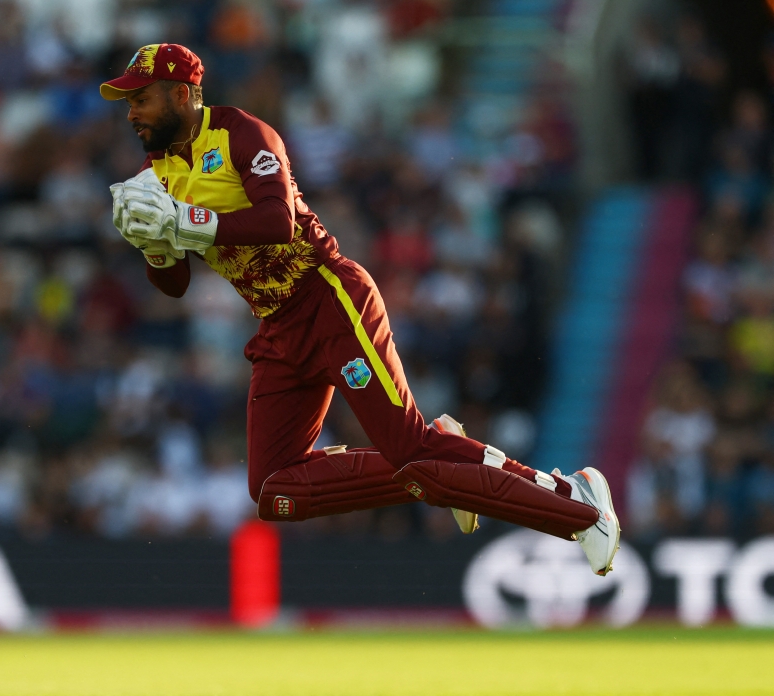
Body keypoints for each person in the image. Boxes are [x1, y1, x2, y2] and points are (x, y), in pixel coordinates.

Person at [102, 44, 620, 575]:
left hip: (330, 299)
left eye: (140, 99)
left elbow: (277, 221)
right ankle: (448, 461)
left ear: (182, 94)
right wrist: (154, 246)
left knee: (419, 459)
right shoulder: (154, 172)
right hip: (278, 327)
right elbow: (173, 285)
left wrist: (185, 222)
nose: (131, 113)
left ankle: (575, 503)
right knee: (276, 490)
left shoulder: (242, 134)